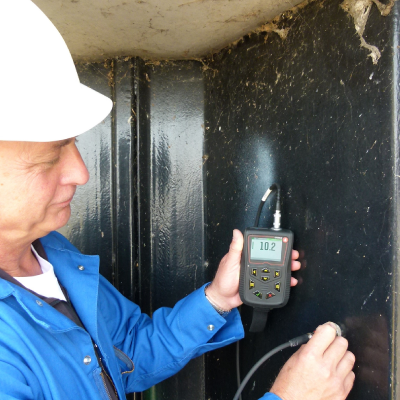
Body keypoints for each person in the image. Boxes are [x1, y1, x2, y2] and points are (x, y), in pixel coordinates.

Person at [0, 1, 355, 399]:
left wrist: (217, 300)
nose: (81, 173)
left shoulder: (52, 254)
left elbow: (126, 352)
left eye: (73, 143)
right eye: (49, 157)